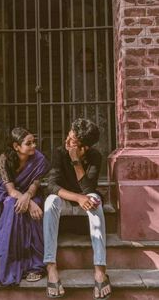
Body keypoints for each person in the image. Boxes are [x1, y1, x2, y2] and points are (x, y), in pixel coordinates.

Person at [43, 118, 112, 299]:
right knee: (50, 201)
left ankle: (99, 270)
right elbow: (51, 186)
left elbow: (89, 190)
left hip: (86, 204)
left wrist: (76, 162)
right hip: (65, 202)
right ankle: (51, 267)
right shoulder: (59, 152)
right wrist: (77, 198)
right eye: (68, 135)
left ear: (84, 147)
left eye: (72, 140)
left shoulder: (95, 156)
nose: (66, 141)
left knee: (95, 199)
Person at [0, 127, 50, 286]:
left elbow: (35, 185)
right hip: (11, 192)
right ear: (16, 146)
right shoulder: (5, 158)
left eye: (34, 142)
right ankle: (10, 261)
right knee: (11, 205)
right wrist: (26, 203)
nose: (34, 146)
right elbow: (10, 190)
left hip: (31, 192)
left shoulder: (39, 159)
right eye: (28, 143)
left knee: (37, 208)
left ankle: (34, 265)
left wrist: (28, 199)